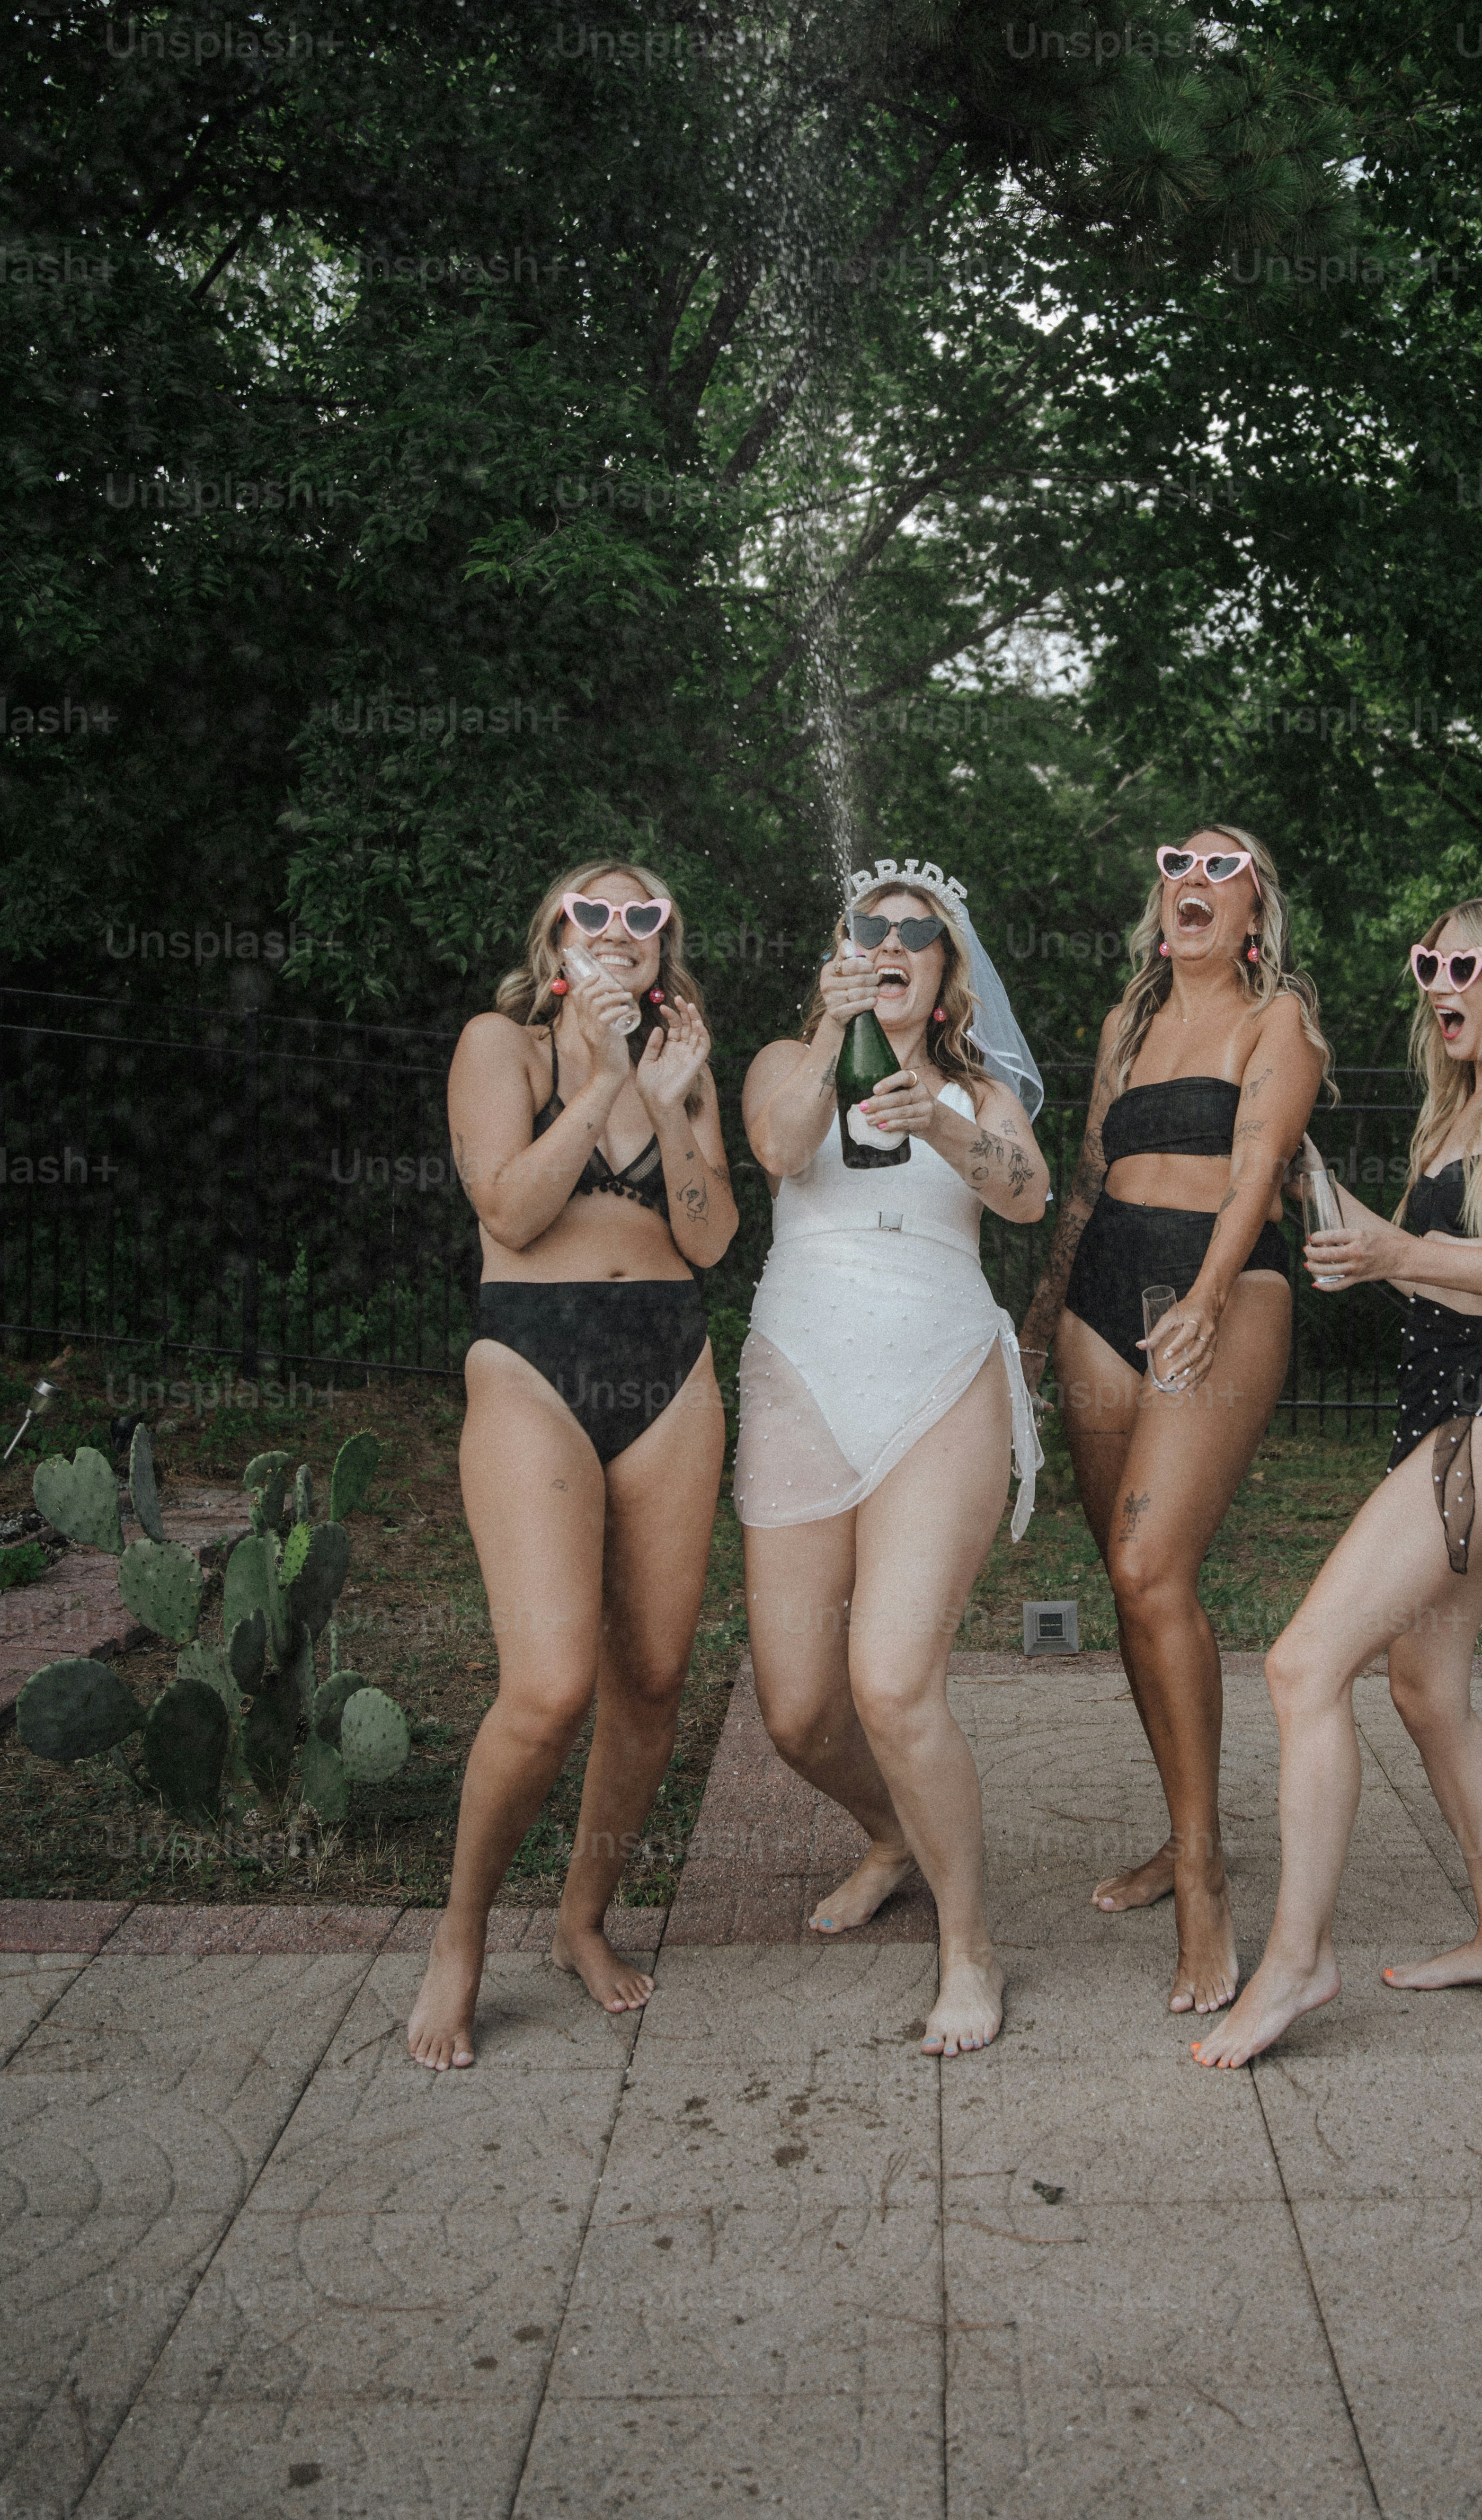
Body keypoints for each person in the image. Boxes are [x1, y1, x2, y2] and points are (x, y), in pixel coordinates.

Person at [1191, 896, 1482, 2067]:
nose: (1438, 980)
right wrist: (1335, 1209)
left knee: (1302, 1663)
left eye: (1463, 962)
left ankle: (1295, 1960)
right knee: (1426, 1691)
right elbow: (1425, 1268)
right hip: (1437, 1412)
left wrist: (1400, 1253)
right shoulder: (1452, 1111)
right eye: (1426, 960)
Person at [408, 861, 738, 2069]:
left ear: (666, 943)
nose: (619, 929)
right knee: (548, 1689)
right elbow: (509, 1212)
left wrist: (665, 1098)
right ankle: (459, 1936)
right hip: (534, 1362)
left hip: (668, 1360)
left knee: (650, 1679)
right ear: (554, 934)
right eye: (593, 911)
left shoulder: (676, 1063)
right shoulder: (502, 1045)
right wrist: (598, 1082)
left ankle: (582, 1921)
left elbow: (707, 1235)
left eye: (644, 914)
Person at [736, 858, 1048, 2058]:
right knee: (799, 1710)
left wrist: (948, 1124)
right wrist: (833, 1026)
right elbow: (776, 1145)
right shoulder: (791, 1057)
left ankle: (969, 1949)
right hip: (803, 1376)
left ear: (948, 968)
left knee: (891, 1680)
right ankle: (889, 1833)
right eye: (873, 929)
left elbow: (1025, 1199)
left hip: (939, 1377)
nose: (895, 944)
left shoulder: (974, 1087)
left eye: (920, 935)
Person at [1017, 827, 1330, 2015]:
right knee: (1122, 1579)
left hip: (1221, 1284)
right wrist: (1044, 1331)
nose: (1190, 880)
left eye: (1220, 866)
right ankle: (1179, 1828)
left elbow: (1256, 1174)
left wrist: (1199, 1301)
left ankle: (1205, 1881)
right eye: (1174, 864)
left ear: (1254, 906)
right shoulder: (1124, 1024)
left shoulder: (1276, 1019)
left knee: (1154, 1567)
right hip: (1105, 1284)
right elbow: (1089, 1181)